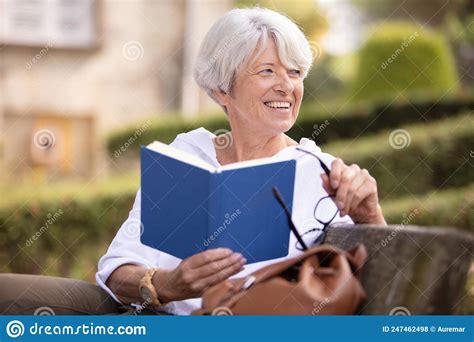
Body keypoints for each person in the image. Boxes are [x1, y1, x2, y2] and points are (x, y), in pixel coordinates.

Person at [96, 7, 386, 315]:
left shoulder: (321, 171)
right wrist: (168, 284)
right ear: (222, 89)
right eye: (267, 71)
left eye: (294, 72)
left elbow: (381, 286)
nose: (286, 86)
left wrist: (369, 216)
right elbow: (117, 269)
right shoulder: (184, 156)